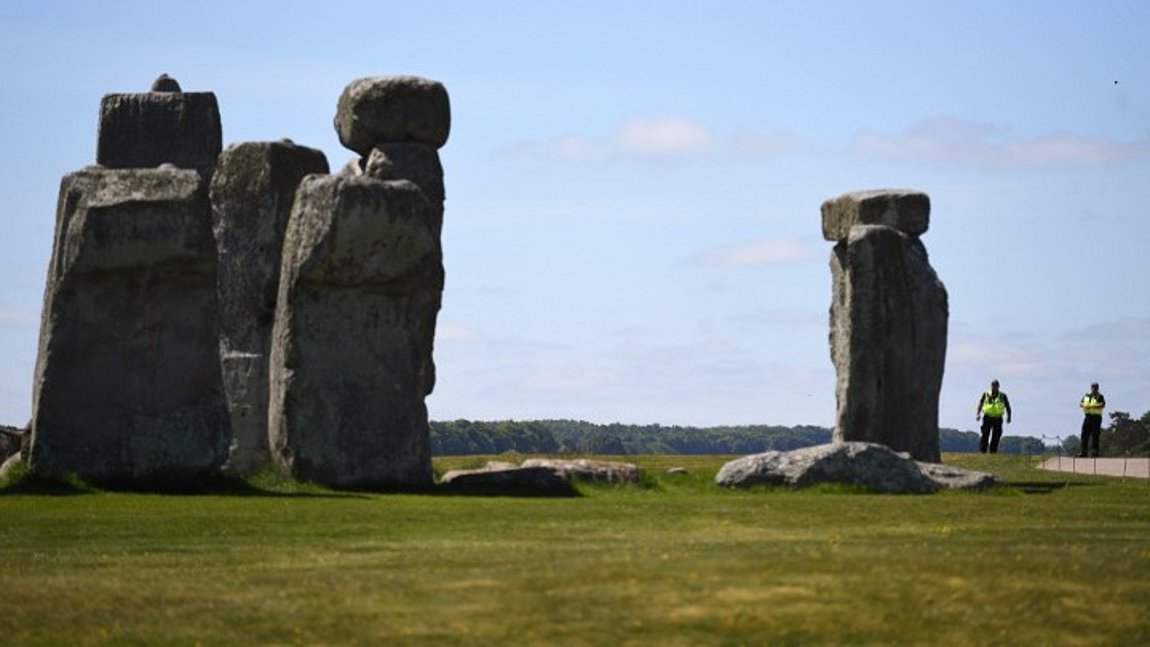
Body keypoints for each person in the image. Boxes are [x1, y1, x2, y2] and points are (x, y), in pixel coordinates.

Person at [975, 380, 1012, 453]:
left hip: (998, 418)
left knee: (996, 436)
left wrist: (1009, 416)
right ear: (991, 386)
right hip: (987, 417)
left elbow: (1008, 406)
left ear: (998, 386)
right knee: (985, 435)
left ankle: (993, 452)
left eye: (996, 385)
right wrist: (978, 414)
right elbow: (980, 404)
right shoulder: (986, 394)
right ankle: (982, 452)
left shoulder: (1003, 396)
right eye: (993, 385)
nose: (994, 387)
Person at [1078, 382, 1106, 458]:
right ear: (1091, 388)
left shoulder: (1100, 396)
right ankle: (1084, 452)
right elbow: (1081, 404)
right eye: (1093, 388)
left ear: (1098, 388)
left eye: (1096, 388)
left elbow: (1102, 405)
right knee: (1084, 435)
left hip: (1096, 418)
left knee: (1095, 436)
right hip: (1087, 417)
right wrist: (1085, 405)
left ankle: (1095, 452)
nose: (1094, 389)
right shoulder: (1087, 396)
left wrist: (1091, 406)